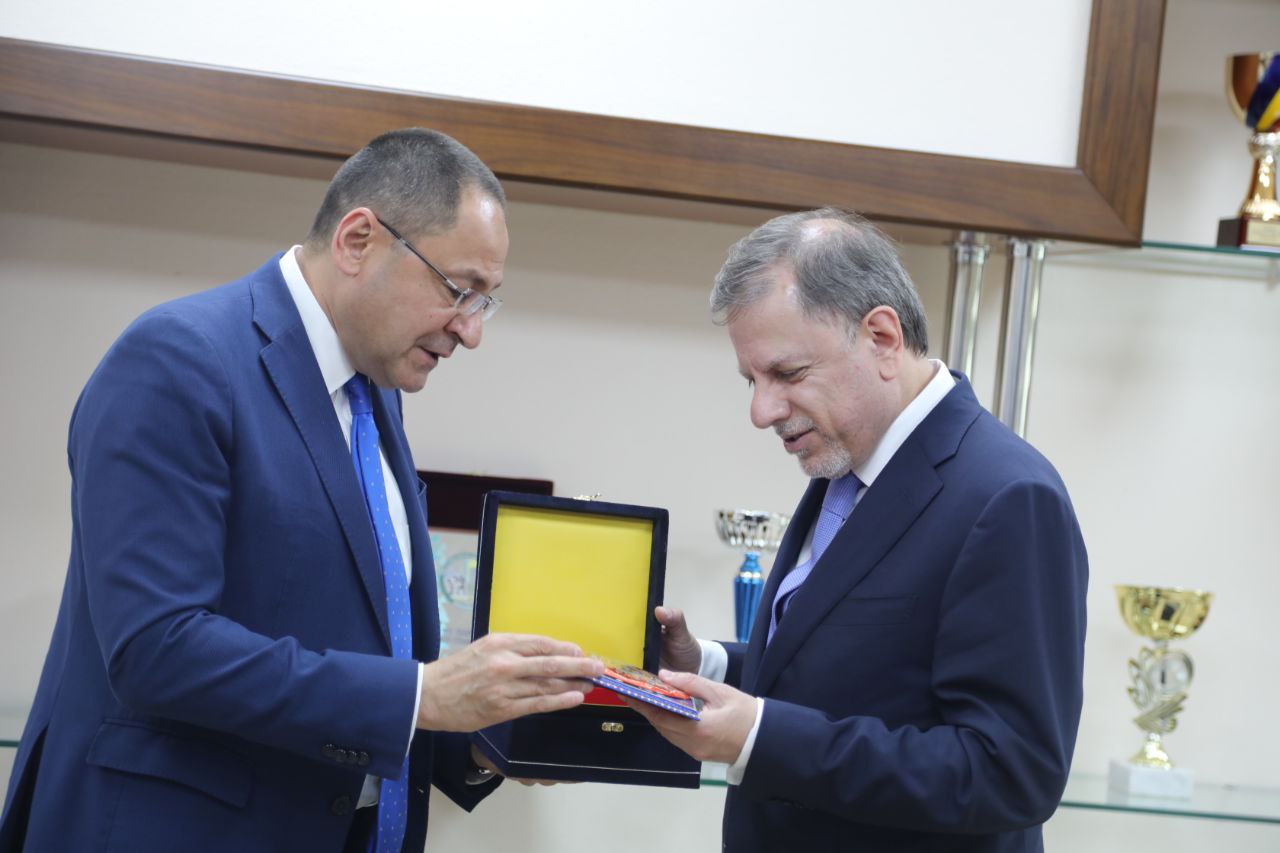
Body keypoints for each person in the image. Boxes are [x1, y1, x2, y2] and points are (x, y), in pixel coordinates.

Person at [0, 128, 604, 853]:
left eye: (485, 301)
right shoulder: (177, 359)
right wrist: (423, 696)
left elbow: (356, 640)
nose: (470, 332)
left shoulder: (375, 394)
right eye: (458, 290)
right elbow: (157, 647)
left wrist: (485, 736)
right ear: (357, 241)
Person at [626, 208, 1088, 852]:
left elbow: (1011, 774)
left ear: (881, 338)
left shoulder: (1009, 497)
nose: (761, 410)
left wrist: (758, 736)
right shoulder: (849, 463)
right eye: (752, 380)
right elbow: (861, 674)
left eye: (787, 374)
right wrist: (708, 664)